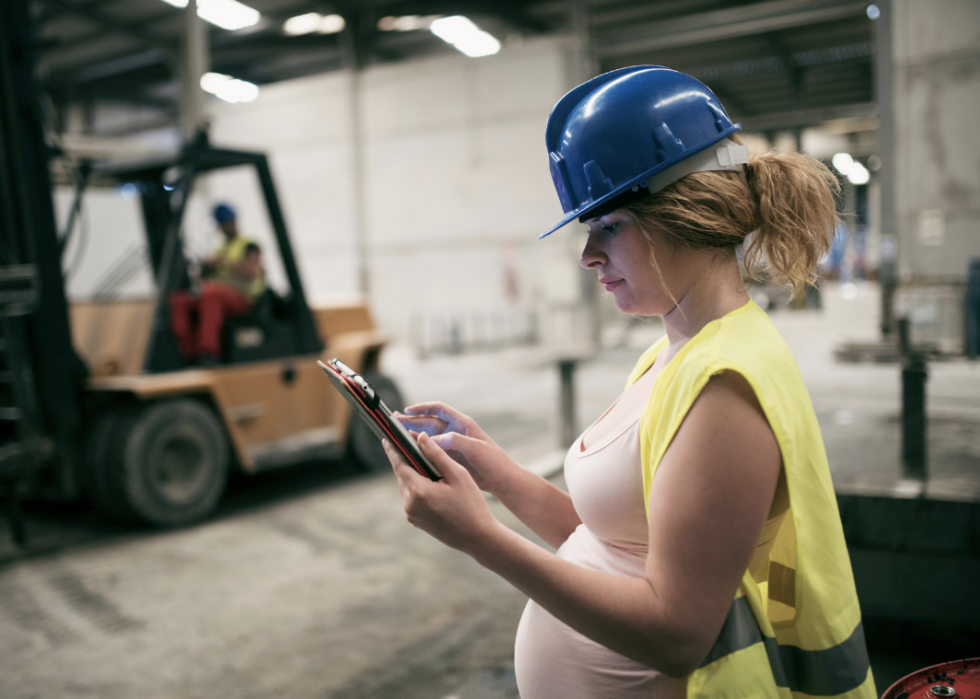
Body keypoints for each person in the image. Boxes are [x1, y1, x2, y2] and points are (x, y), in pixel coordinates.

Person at [383, 66, 876, 698]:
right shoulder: (672, 353)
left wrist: (481, 539)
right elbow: (618, 547)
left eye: (606, 226)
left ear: (684, 216)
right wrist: (495, 473)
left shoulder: (725, 386)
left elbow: (676, 634)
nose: (588, 255)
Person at [169, 203, 265, 365]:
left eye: (227, 223)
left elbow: (251, 272)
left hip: (244, 297)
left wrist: (222, 262)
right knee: (180, 300)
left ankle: (209, 352)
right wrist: (205, 268)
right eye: (222, 224)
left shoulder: (249, 245)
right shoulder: (219, 248)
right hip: (219, 294)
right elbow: (203, 277)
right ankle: (187, 352)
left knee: (211, 295)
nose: (225, 227)